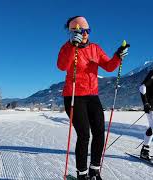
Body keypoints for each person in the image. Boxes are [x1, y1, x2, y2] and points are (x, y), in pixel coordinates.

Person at [57, 16, 129, 180]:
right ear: (73, 31)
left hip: (92, 96)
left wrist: (118, 56)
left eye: (87, 31)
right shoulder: (67, 48)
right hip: (74, 96)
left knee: (99, 132)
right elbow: (62, 66)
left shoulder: (95, 48)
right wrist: (71, 46)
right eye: (81, 31)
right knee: (84, 135)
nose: (85, 34)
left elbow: (109, 67)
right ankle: (81, 174)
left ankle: (94, 171)